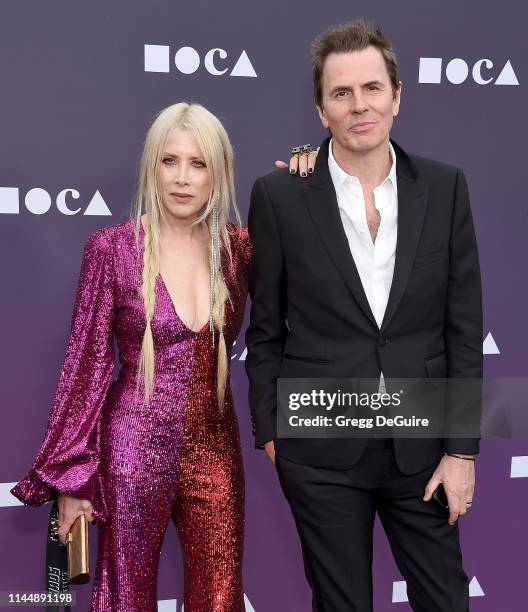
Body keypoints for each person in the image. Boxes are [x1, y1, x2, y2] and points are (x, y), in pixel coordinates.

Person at [246, 20, 482, 612]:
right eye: (342, 94)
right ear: (321, 109)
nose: (359, 106)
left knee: (446, 600)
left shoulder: (446, 187)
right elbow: (266, 328)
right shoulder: (279, 197)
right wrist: (274, 433)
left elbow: (463, 327)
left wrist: (462, 451)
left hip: (421, 445)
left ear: (397, 96)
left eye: (372, 89)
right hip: (319, 447)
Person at [12, 102, 253, 612]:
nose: (182, 178)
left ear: (219, 172)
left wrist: (308, 167)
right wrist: (73, 478)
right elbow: (86, 364)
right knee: (125, 594)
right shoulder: (112, 249)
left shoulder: (239, 251)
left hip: (216, 449)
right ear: (151, 166)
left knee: (222, 595)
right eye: (170, 161)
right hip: (132, 449)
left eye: (199, 163)